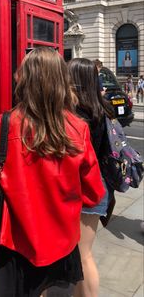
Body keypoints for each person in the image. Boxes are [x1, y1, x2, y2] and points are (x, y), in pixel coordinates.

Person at [0, 47, 105, 297]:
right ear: (62, 82)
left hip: (15, 245)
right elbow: (94, 194)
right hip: (63, 246)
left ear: (22, 79)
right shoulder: (78, 129)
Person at [68, 58, 115, 297]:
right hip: (99, 186)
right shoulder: (102, 106)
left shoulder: (76, 115)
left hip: (83, 189)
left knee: (82, 255)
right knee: (83, 254)